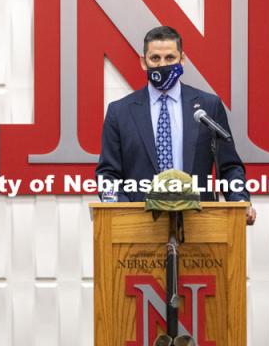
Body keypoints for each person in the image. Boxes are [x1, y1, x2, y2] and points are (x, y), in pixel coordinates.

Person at [95, 26, 256, 225]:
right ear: (143, 62)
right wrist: (121, 209)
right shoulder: (119, 112)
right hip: (140, 224)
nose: (162, 65)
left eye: (170, 58)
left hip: (199, 221)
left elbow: (229, 166)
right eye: (155, 58)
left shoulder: (208, 106)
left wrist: (240, 200)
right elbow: (108, 174)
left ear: (182, 59)